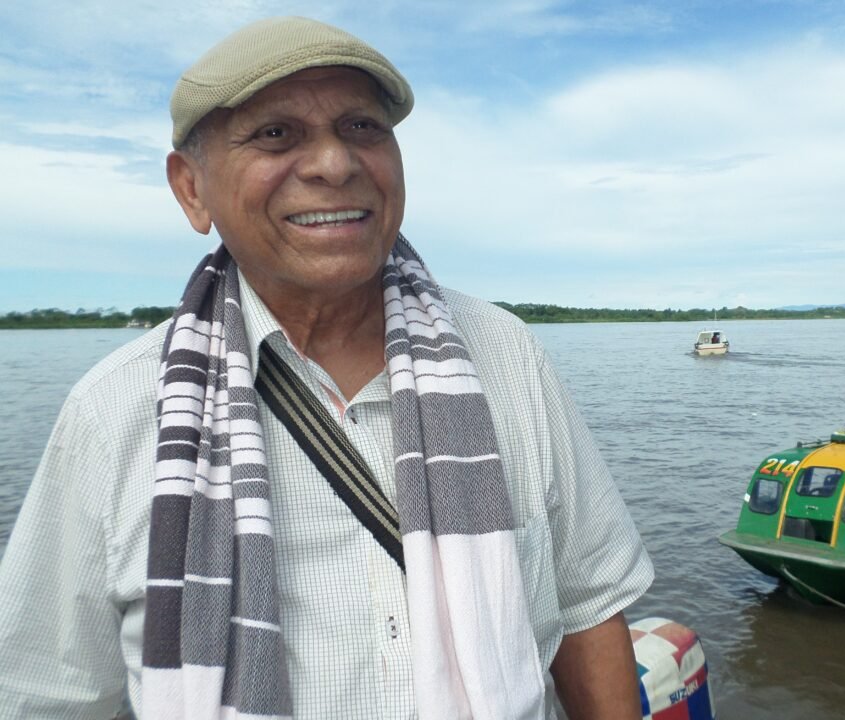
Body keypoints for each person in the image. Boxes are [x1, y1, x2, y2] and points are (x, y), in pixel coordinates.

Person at [0, 16, 654, 720]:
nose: (334, 165)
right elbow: (49, 694)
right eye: (275, 134)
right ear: (191, 189)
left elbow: (588, 607)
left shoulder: (508, 353)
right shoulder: (116, 410)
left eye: (362, 128)